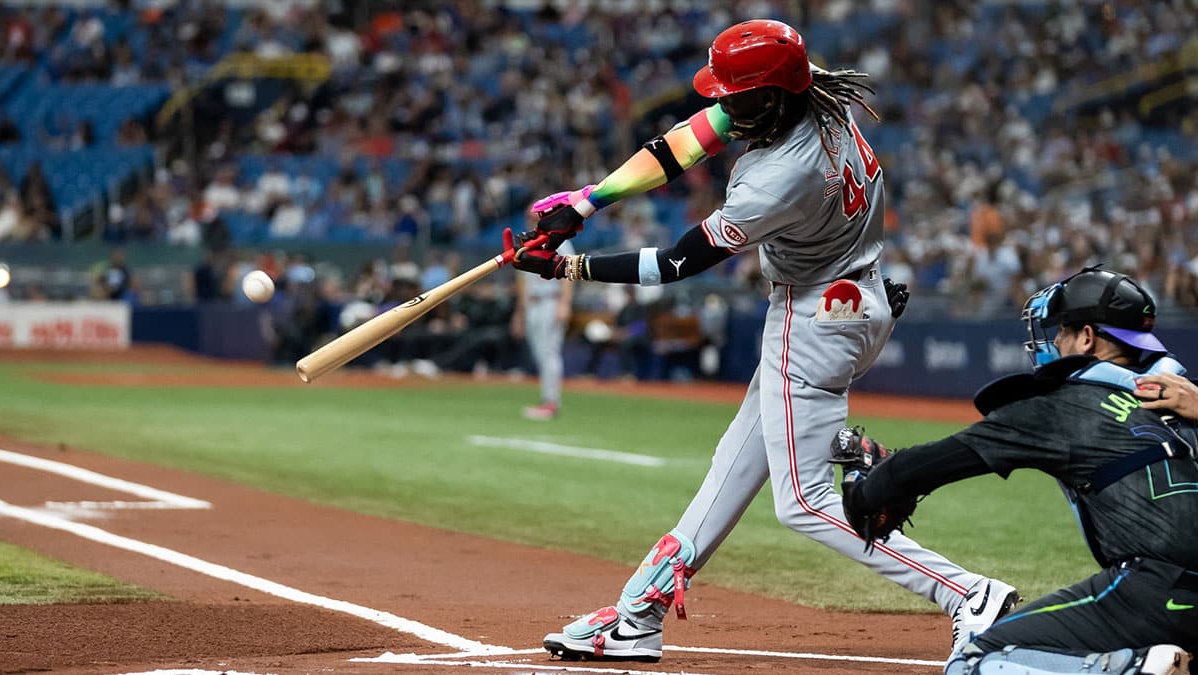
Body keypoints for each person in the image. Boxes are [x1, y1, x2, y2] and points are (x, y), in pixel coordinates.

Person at [505, 19, 1016, 663]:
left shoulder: (779, 177)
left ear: (772, 96)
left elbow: (674, 264)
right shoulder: (816, 101)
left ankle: (971, 595)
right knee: (734, 463)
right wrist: (585, 203)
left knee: (804, 503)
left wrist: (569, 265)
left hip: (816, 318)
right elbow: (682, 145)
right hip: (855, 297)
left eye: (736, 95)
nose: (722, 104)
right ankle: (640, 612)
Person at [832, 267, 1196, 675]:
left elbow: (937, 461)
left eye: (1062, 330)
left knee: (972, 663)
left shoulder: (1063, 403)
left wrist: (867, 491)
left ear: (1088, 338)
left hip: (1156, 592)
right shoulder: (1182, 399)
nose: (1054, 340)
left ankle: (1137, 669)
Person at [512, 237, 575, 420]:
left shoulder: (560, 241)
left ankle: (551, 402)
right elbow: (522, 279)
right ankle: (547, 400)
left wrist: (565, 303)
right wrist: (520, 312)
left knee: (549, 352)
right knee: (540, 354)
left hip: (551, 300)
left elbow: (569, 270)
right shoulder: (527, 241)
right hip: (532, 303)